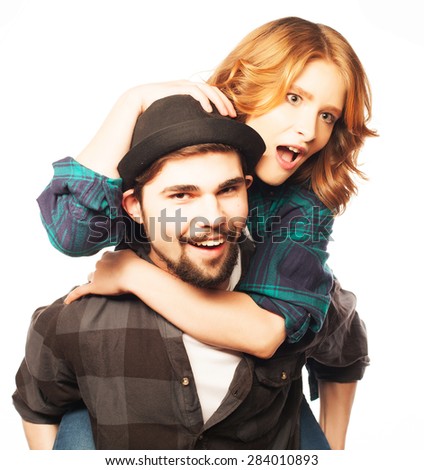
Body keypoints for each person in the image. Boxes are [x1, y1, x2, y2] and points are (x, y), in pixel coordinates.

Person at [36, 17, 374, 448]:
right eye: (293, 98)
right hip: (144, 370)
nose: (309, 131)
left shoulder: (301, 207)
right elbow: (71, 232)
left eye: (327, 115)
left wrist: (130, 273)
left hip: (259, 390)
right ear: (248, 83)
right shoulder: (174, 135)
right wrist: (131, 101)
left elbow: (265, 333)